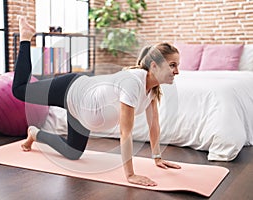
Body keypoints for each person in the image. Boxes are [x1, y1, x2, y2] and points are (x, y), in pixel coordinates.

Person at [13, 16, 181, 187]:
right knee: (19, 90)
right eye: (172, 65)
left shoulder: (152, 90)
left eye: (177, 65)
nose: (177, 71)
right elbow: (125, 133)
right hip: (71, 89)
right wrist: (130, 175)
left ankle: (34, 134)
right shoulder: (132, 83)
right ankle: (26, 37)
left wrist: (157, 157)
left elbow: (154, 125)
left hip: (81, 111)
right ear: (154, 66)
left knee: (73, 153)